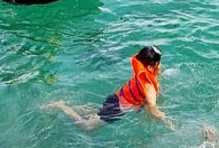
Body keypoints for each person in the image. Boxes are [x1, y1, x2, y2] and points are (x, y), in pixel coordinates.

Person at [43, 46, 174, 130]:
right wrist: (167, 121)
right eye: (159, 64)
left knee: (96, 112)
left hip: (115, 98)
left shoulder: (142, 72)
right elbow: (153, 108)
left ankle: (71, 107)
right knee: (87, 126)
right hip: (118, 108)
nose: (160, 66)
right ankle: (61, 106)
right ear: (150, 67)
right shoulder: (149, 87)